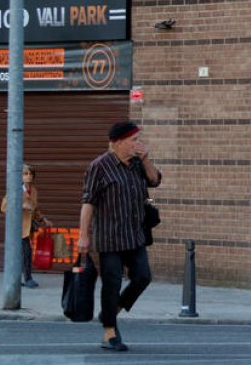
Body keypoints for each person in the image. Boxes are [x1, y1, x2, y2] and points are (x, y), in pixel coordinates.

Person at [79, 121, 162, 352]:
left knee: (143, 277)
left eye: (138, 139)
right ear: (117, 143)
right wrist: (83, 236)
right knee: (111, 284)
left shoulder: (137, 164)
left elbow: (155, 180)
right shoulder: (99, 166)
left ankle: (110, 310)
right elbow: (88, 203)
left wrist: (145, 159)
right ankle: (109, 333)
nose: (138, 143)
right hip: (110, 238)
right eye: (133, 140)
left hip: (135, 235)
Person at [0, 163, 50, 288]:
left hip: (28, 228)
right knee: (26, 252)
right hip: (17, 228)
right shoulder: (15, 190)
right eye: (25, 174)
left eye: (31, 174)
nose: (28, 177)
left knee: (22, 254)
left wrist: (43, 219)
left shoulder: (33, 191)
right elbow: (4, 207)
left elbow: (35, 209)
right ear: (20, 176)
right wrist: (21, 205)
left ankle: (17, 279)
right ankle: (28, 279)